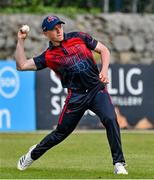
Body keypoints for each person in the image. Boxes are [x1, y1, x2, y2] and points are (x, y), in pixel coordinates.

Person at [15, 15, 128, 175]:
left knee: (110, 119)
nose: (59, 29)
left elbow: (104, 50)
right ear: (46, 33)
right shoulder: (48, 56)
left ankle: (118, 163)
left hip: (96, 89)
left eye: (59, 26)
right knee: (61, 133)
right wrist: (21, 40)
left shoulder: (79, 37)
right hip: (76, 96)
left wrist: (103, 71)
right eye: (54, 28)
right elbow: (21, 65)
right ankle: (32, 154)